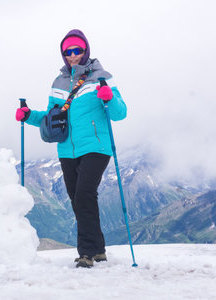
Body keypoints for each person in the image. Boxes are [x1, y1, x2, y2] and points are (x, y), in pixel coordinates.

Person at [15, 29, 127, 268]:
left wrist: (109, 98)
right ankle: (98, 249)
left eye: (77, 50)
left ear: (86, 50)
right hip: (67, 149)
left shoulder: (102, 77)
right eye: (68, 52)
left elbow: (120, 113)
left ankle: (85, 253)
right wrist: (28, 116)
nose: (73, 55)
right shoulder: (59, 82)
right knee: (78, 199)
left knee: (85, 193)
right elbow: (52, 117)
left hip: (97, 146)